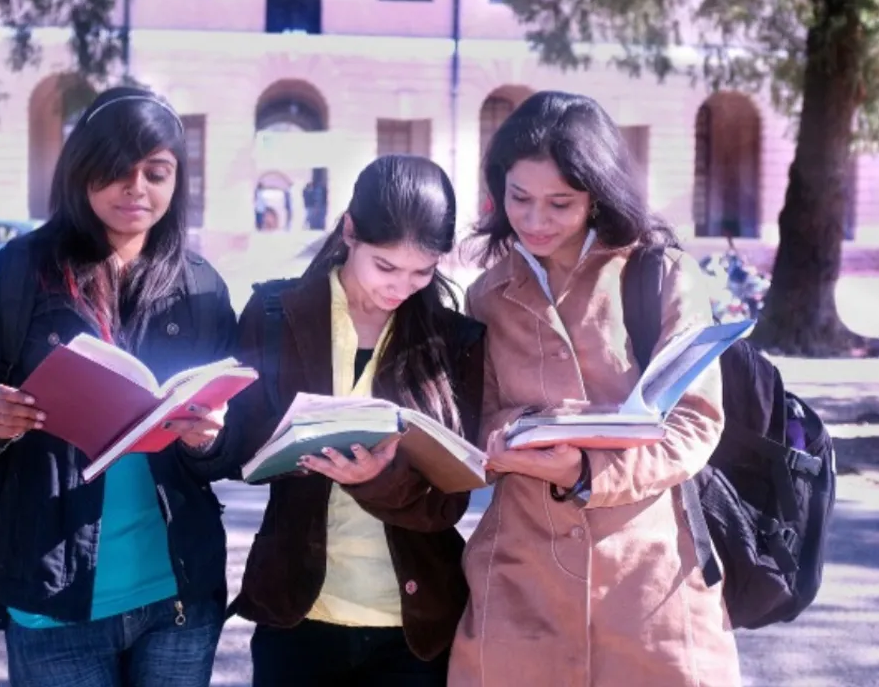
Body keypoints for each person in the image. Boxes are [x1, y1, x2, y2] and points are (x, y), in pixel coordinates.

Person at [0, 87, 237, 687]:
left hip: (178, 595)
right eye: (116, 169)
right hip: (52, 595)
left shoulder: (202, 289)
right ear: (80, 172)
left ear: (177, 181)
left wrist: (211, 439)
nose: (136, 187)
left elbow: (234, 443)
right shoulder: (18, 274)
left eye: (156, 172)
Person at [448, 91, 742, 686]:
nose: (535, 221)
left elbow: (695, 422)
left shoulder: (659, 275)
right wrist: (499, 440)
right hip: (519, 580)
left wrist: (586, 471)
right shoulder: (485, 296)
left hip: (649, 580)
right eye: (519, 199)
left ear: (597, 193)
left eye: (560, 203)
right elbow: (471, 421)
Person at [222, 154, 486, 687]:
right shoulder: (275, 313)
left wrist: (379, 481)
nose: (401, 287)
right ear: (349, 231)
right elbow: (238, 450)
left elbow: (450, 500)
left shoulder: (454, 341)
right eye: (385, 266)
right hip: (297, 612)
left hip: (412, 624)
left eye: (422, 271)